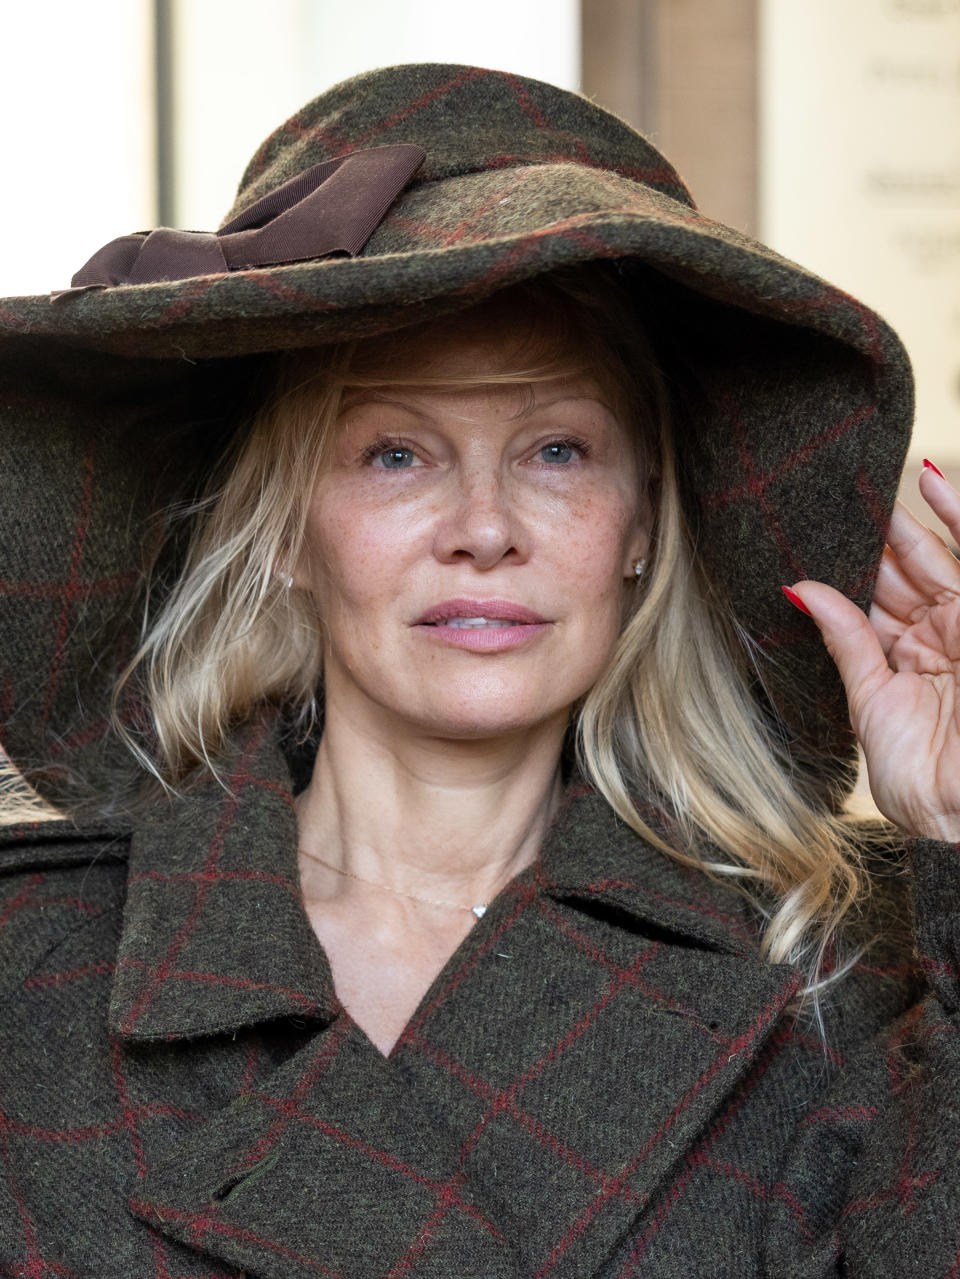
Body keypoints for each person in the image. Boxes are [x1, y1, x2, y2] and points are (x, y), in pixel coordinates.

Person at [0, 62, 958, 1279]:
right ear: (288, 527)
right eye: (397, 454)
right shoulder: (30, 966)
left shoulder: (858, 969)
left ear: (646, 525)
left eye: (557, 450)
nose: (486, 526)